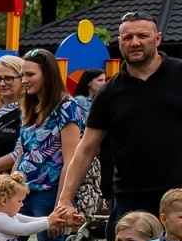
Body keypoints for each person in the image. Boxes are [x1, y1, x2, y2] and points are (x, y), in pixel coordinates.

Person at [58, 12, 182, 226]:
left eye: (142, 36)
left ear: (158, 39)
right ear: (119, 42)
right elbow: (86, 149)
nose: (135, 42)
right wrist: (65, 199)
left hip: (179, 193)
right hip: (130, 196)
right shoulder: (108, 93)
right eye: (127, 37)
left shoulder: (180, 74)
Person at [9, 47, 87, 241]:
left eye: (30, 74)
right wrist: (9, 186)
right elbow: (23, 151)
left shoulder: (67, 108)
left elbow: (71, 159)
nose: (24, 80)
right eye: (23, 74)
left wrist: (61, 204)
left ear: (48, 75)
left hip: (48, 193)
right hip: (21, 193)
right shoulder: (30, 107)